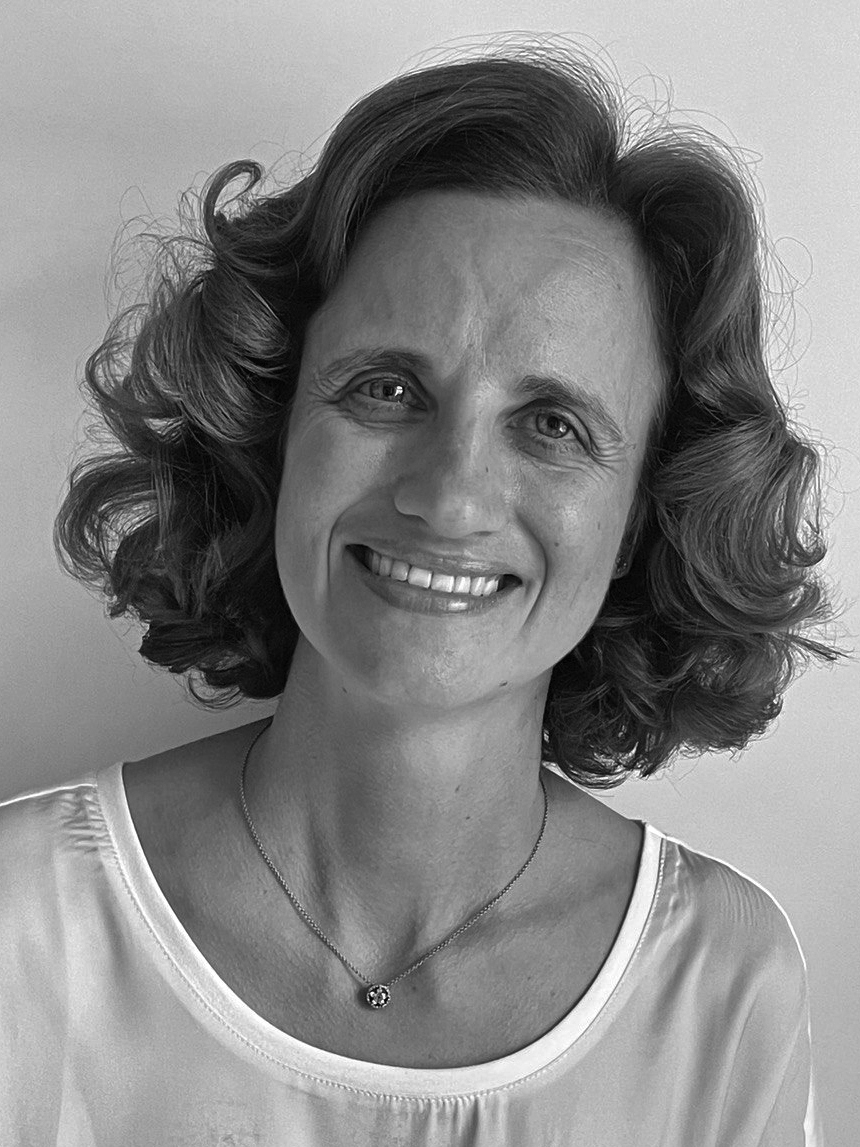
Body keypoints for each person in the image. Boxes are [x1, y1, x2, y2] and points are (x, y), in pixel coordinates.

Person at [0, 43, 839, 1146]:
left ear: (641, 514)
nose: (448, 496)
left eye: (552, 424)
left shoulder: (723, 987)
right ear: (273, 427)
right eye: (388, 387)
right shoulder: (21, 929)